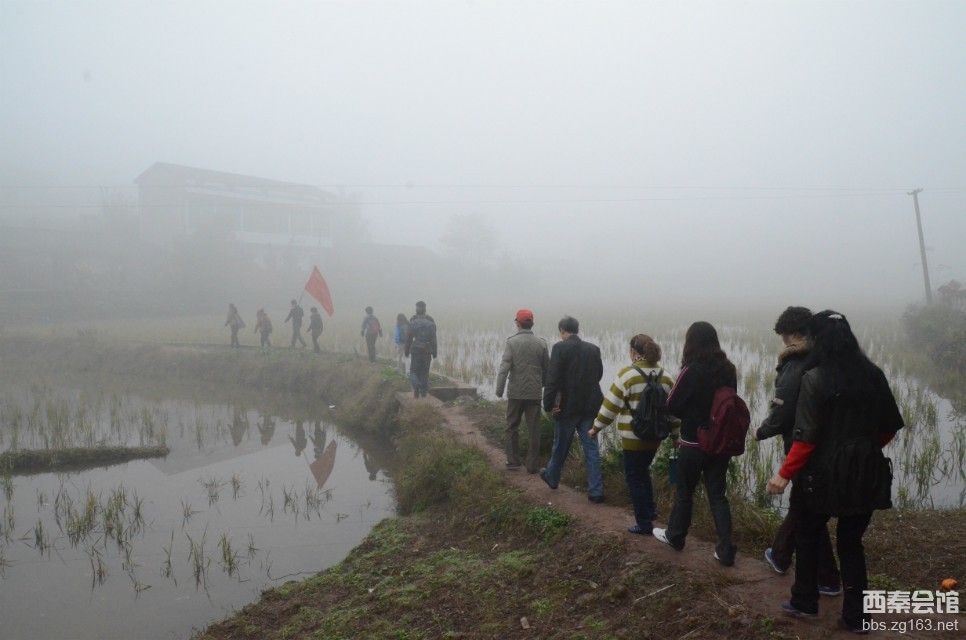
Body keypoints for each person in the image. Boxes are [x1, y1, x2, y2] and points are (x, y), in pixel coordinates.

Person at [766, 310, 903, 633]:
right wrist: (862, 449)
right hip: (867, 472)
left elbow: (806, 438)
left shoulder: (815, 377)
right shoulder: (874, 374)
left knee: (809, 532)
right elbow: (890, 427)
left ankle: (804, 601)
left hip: (822, 475)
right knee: (852, 543)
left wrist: (783, 475)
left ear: (816, 340)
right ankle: (857, 617)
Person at [756, 307, 842, 595]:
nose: (783, 342)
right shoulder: (832, 359)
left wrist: (762, 431)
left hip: (803, 446)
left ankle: (825, 580)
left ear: (793, 335)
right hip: (830, 445)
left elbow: (784, 409)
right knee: (805, 506)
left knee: (806, 507)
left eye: (783, 336)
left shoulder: (795, 365)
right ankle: (785, 558)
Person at [653, 321, 739, 566]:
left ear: (691, 342)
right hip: (719, 443)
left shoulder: (691, 370)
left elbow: (672, 404)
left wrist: (691, 413)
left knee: (685, 493)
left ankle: (676, 536)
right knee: (718, 496)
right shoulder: (728, 369)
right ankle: (725, 550)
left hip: (692, 442)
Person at [589, 334, 677, 534]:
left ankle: (644, 524)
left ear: (634, 353)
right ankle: (650, 510)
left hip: (632, 437)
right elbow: (673, 412)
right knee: (643, 470)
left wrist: (596, 428)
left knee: (634, 477)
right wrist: (675, 436)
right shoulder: (666, 376)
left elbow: (610, 406)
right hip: (656, 437)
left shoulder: (627, 374)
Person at [539, 315, 605, 503]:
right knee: (591, 449)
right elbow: (598, 375)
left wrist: (549, 404)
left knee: (560, 446)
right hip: (590, 406)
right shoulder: (593, 349)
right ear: (577, 329)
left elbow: (552, 379)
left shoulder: (560, 348)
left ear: (562, 330)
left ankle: (552, 477)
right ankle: (596, 491)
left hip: (566, 407)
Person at [495, 309, 550, 473]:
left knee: (512, 426)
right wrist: (545, 387)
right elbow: (547, 370)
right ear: (531, 323)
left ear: (518, 323)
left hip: (516, 392)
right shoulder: (542, 343)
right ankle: (532, 465)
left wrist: (499, 389)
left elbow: (504, 368)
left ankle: (513, 461)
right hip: (534, 393)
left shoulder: (512, 342)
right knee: (534, 428)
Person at [405, 300, 437, 398]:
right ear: (425, 309)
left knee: (414, 371)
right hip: (427, 350)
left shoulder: (412, 322)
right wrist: (435, 351)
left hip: (416, 350)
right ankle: (423, 392)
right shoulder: (431, 322)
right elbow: (433, 339)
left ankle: (416, 384)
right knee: (425, 371)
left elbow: (408, 339)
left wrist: (406, 350)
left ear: (416, 310)